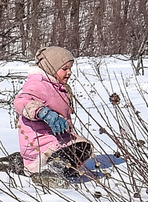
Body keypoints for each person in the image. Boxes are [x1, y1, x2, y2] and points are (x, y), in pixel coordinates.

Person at [14, 46, 93, 184]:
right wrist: (44, 113)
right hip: (38, 140)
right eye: (64, 69)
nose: (69, 73)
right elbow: (22, 102)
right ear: (51, 68)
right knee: (80, 148)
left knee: (81, 147)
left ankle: (56, 168)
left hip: (52, 139)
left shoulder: (56, 86)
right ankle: (51, 171)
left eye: (70, 69)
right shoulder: (38, 84)